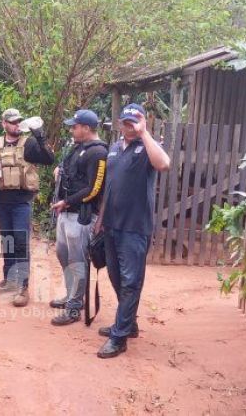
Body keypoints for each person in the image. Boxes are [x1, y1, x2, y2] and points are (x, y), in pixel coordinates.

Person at [96, 103, 170, 358]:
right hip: (111, 226)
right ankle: (129, 323)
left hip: (134, 228)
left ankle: (120, 337)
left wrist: (144, 133)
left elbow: (164, 164)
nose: (129, 126)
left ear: (141, 123)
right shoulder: (114, 149)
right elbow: (109, 187)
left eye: (134, 122)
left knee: (130, 282)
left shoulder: (147, 149)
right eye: (126, 122)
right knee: (116, 278)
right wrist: (100, 221)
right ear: (120, 123)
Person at [0, 109, 55, 307]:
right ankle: (9, 279)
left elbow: (49, 159)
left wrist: (40, 136)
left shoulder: (29, 143)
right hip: (1, 201)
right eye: (12, 122)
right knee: (7, 240)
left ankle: (23, 287)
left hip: (21, 201)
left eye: (19, 122)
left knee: (21, 242)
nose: (16, 125)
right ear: (4, 124)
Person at [49, 109, 108, 325]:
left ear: (86, 128)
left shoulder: (98, 152)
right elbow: (69, 170)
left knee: (77, 261)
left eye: (75, 126)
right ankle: (71, 294)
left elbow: (94, 189)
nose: (72, 129)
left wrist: (67, 201)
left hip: (81, 216)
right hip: (66, 213)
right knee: (62, 254)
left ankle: (74, 307)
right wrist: (58, 170)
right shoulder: (77, 148)